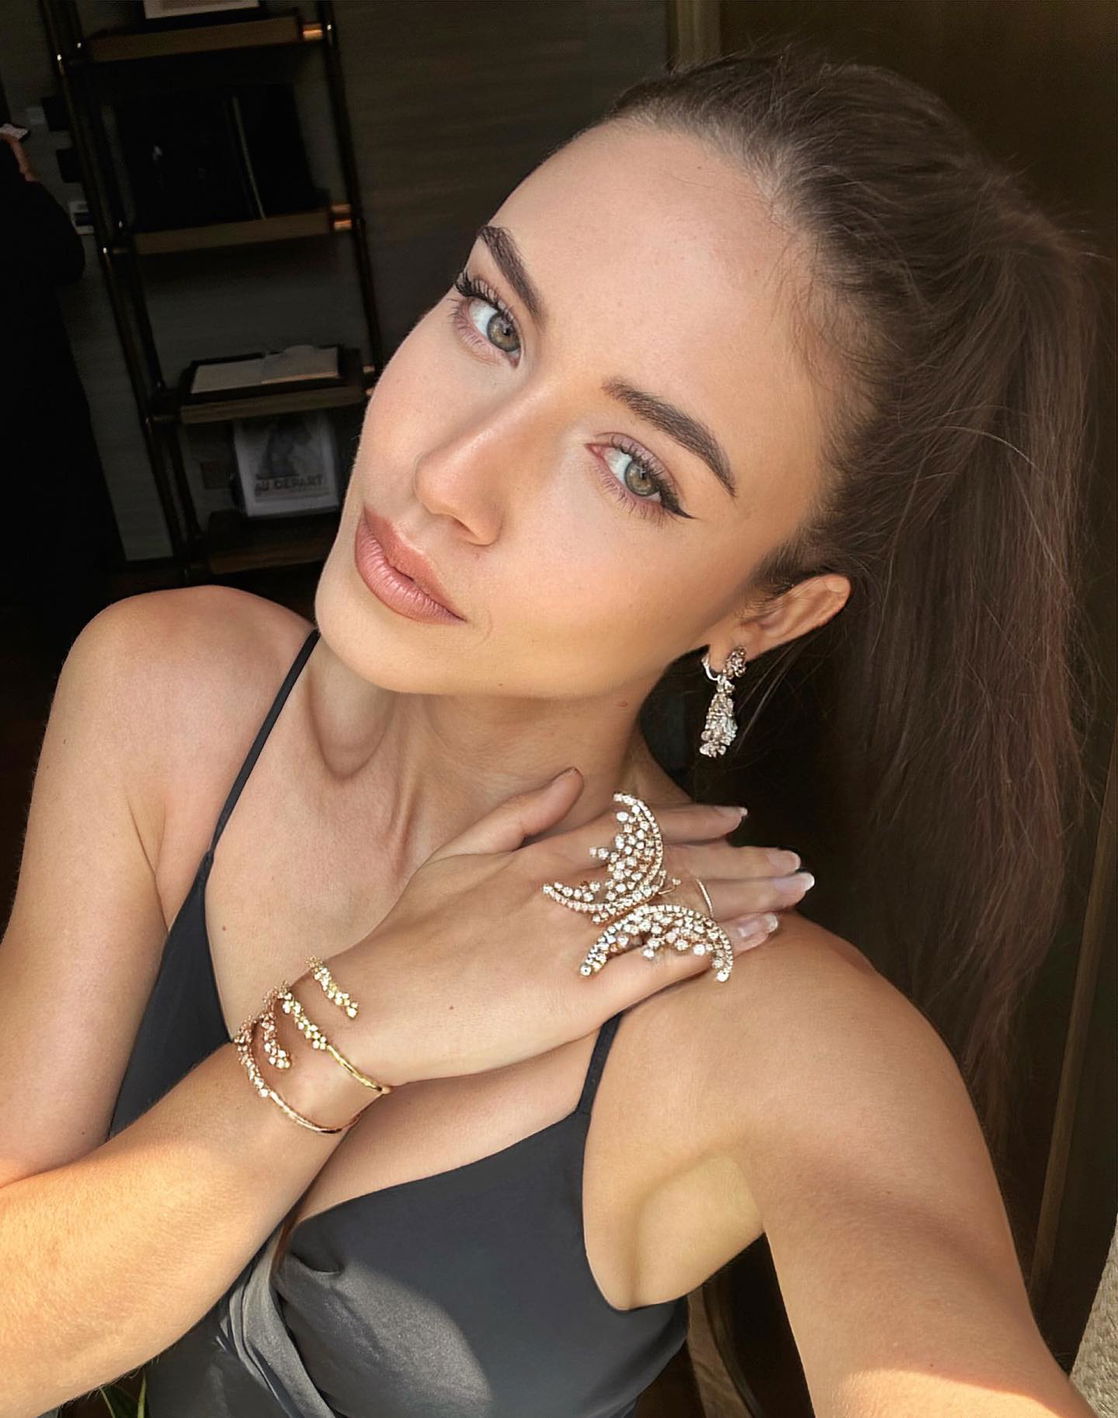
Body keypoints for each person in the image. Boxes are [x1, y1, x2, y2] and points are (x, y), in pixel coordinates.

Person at [2, 37, 1100, 1418]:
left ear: (763, 611)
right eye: (494, 319)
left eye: (635, 468)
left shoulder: (764, 1015)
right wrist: (349, 1024)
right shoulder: (162, 693)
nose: (447, 476)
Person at [0, 127, 120, 665]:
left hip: (31, 383)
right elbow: (65, 261)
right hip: (34, 382)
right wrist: (26, 180)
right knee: (58, 515)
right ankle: (78, 649)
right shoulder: (10, 192)